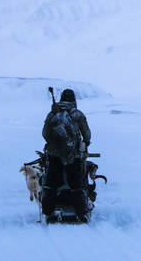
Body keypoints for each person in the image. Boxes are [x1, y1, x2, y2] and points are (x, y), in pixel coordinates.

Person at [41, 88, 92, 221]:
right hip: (73, 156)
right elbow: (87, 134)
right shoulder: (78, 114)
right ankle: (81, 213)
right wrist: (85, 143)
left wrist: (53, 144)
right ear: (74, 100)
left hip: (54, 155)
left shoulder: (52, 113)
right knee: (77, 184)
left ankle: (48, 211)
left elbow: (45, 133)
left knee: (51, 183)